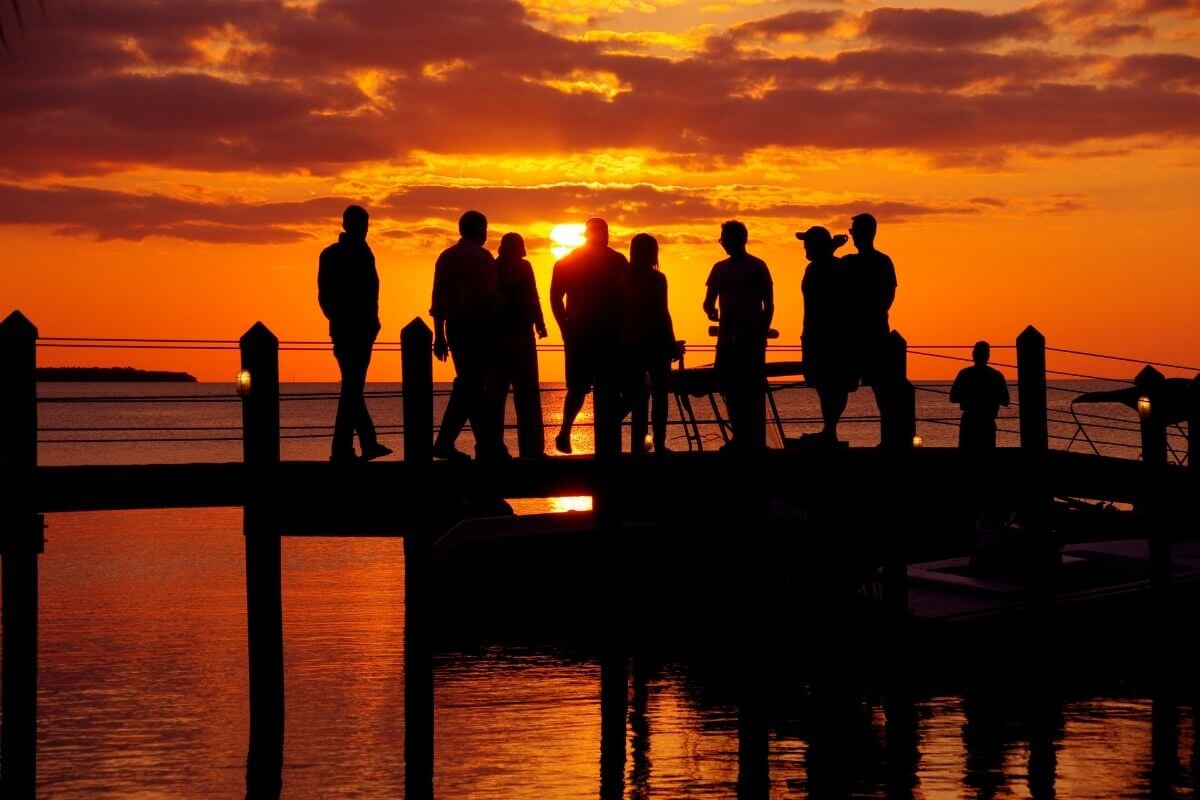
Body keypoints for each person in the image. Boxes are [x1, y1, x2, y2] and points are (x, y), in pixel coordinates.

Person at [317, 204, 392, 463]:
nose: (365, 230)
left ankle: (356, 445)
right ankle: (351, 446)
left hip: (351, 328)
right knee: (352, 387)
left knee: (352, 387)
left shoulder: (337, 254)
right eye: (362, 225)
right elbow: (330, 296)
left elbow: (326, 297)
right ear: (350, 225)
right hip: (355, 329)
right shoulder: (355, 254)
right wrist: (360, 320)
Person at [549, 217, 627, 456]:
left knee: (579, 387)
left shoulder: (568, 261)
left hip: (582, 333)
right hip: (603, 334)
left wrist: (564, 327)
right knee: (602, 386)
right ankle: (597, 434)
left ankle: (567, 430)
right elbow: (628, 296)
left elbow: (555, 298)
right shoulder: (616, 260)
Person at [430, 210, 504, 461]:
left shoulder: (446, 257)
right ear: (479, 229)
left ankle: (488, 445)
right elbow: (489, 297)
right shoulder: (483, 258)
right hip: (479, 328)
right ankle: (448, 442)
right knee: (472, 385)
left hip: (454, 328)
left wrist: (439, 336)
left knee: (470, 385)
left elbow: (438, 300)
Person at [703, 220, 773, 451]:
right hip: (735, 338)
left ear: (738, 240)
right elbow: (708, 302)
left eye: (724, 239)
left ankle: (747, 439)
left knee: (743, 389)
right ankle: (745, 438)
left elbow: (768, 305)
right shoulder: (736, 267)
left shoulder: (751, 267)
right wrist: (711, 310)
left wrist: (761, 333)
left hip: (745, 339)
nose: (723, 243)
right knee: (736, 389)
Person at [619, 234, 681, 455]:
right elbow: (663, 313)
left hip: (630, 344)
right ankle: (657, 444)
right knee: (659, 397)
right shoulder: (657, 279)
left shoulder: (621, 278)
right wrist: (671, 342)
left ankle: (639, 446)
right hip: (655, 345)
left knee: (637, 396)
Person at [488, 232, 548, 458]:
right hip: (520, 336)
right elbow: (533, 297)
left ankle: (493, 447)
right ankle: (532, 450)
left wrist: (539, 322)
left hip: (499, 338)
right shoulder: (523, 267)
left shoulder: (493, 267)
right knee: (527, 395)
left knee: (496, 396)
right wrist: (540, 322)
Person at [842, 213, 898, 443]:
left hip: (865, 333)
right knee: (849, 384)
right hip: (869, 331)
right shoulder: (877, 262)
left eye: (853, 230)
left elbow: (888, 296)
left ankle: (889, 437)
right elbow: (889, 296)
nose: (852, 234)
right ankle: (890, 437)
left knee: (879, 387)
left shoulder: (856, 263)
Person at [797, 225, 856, 445]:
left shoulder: (824, 269)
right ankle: (829, 429)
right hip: (819, 335)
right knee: (826, 385)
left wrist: (831, 249)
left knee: (831, 384)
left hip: (827, 336)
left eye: (808, 244)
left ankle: (830, 430)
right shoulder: (824, 267)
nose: (805, 248)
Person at [950, 341, 1010, 450]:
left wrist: (969, 397)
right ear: (988, 356)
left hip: (969, 421)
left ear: (973, 355)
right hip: (987, 422)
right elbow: (1006, 401)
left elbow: (953, 397)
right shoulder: (996, 375)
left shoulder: (964, 374)